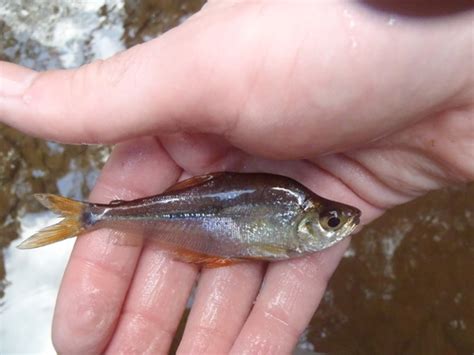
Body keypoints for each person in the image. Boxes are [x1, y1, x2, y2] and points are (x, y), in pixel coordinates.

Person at [0, 1, 472, 353]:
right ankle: (91, 217)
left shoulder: (295, 201)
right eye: (331, 221)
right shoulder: (291, 203)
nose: (339, 225)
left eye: (332, 222)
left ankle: (92, 217)